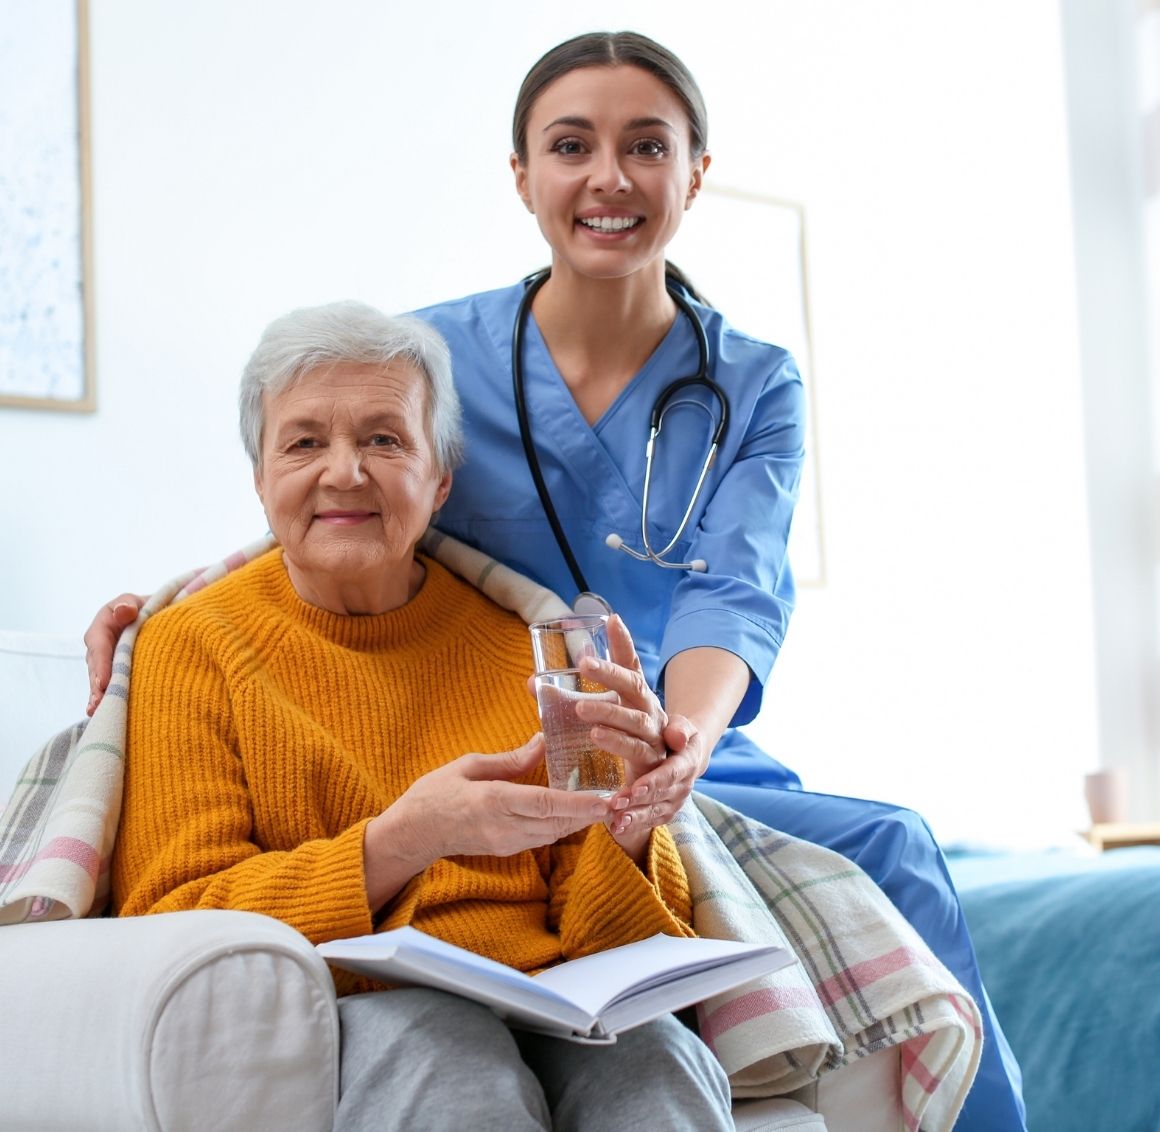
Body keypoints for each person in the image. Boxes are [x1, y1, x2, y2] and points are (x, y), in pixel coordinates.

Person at [89, 31, 1025, 1129]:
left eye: (645, 146)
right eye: (570, 145)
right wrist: (169, 601)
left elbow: (735, 587)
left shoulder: (753, 382)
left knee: (894, 843)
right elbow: (343, 490)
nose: (607, 177)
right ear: (522, 174)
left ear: (694, 172)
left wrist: (676, 745)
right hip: (509, 719)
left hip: (672, 724)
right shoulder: (431, 350)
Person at [111, 301, 734, 1131]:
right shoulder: (191, 646)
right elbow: (168, 919)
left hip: (554, 1000)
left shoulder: (529, 644)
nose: (344, 472)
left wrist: (624, 821)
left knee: (663, 1060)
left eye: (384, 439)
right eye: (304, 442)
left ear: (439, 482)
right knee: (446, 1054)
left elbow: (610, 944)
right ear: (259, 478)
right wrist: (402, 840)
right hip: (358, 1009)